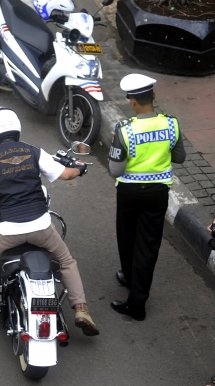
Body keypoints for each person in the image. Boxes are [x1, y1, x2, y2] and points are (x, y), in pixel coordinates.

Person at [0, 107, 99, 337]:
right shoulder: (33, 151)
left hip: (5, 231)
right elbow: (66, 175)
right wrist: (79, 169)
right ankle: (81, 309)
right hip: (41, 227)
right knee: (67, 262)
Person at [108, 74, 186, 321]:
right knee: (148, 245)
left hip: (129, 193)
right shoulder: (171, 125)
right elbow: (180, 158)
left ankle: (133, 294)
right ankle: (137, 292)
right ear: (153, 96)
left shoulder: (124, 131)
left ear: (132, 102)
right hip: (157, 194)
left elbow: (115, 170)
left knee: (127, 237)